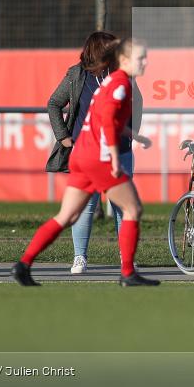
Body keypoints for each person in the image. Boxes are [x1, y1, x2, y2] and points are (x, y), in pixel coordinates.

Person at [12, 39, 158, 287]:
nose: (145, 62)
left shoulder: (111, 82)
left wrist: (134, 136)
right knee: (132, 209)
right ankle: (127, 273)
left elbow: (105, 118)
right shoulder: (121, 84)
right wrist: (113, 157)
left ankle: (23, 265)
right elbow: (109, 122)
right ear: (122, 60)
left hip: (82, 155)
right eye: (140, 58)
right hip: (98, 158)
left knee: (66, 216)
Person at [46, 31, 148, 274]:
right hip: (88, 154)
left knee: (123, 207)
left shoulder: (123, 73)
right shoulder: (77, 74)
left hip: (119, 153)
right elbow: (54, 103)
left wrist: (131, 133)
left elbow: (138, 103)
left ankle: (127, 259)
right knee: (85, 207)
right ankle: (80, 257)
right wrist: (63, 137)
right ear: (96, 50)